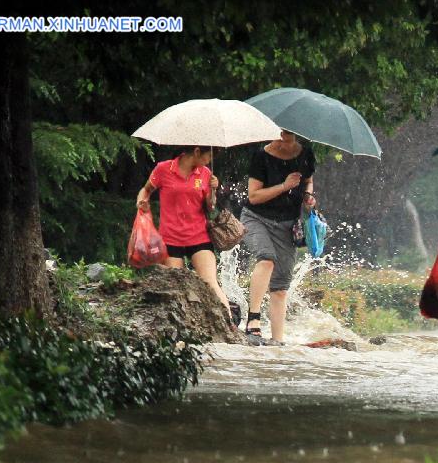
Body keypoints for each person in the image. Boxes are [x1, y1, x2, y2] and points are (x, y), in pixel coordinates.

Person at [135, 146, 234, 325]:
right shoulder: (164, 169)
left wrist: (213, 191)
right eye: (206, 157)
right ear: (196, 152)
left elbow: (210, 207)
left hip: (199, 237)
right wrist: (141, 201)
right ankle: (186, 328)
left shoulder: (205, 173)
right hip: (170, 239)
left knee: (210, 283)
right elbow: (146, 190)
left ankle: (229, 325)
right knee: (176, 287)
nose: (208, 161)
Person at [241, 130, 316, 346]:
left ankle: (277, 341)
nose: (285, 135)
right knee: (266, 258)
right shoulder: (261, 156)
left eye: (290, 131)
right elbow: (253, 197)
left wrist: (309, 196)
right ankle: (253, 320)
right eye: (281, 131)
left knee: (281, 286)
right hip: (257, 218)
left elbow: (309, 181)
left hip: (287, 224)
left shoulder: (306, 154)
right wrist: (284, 186)